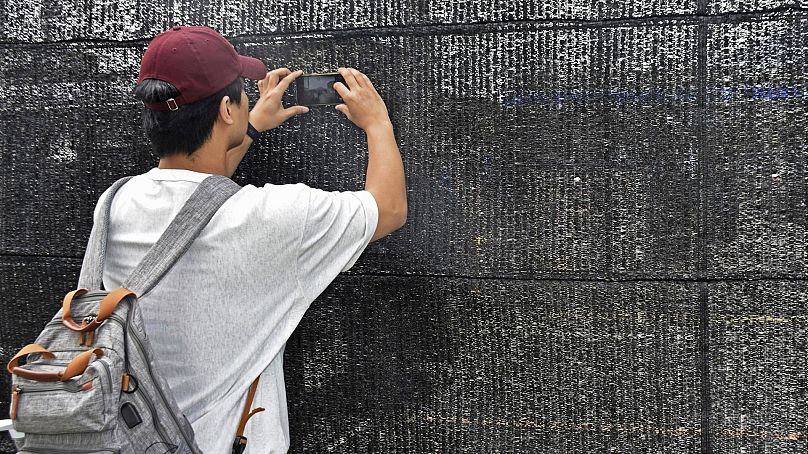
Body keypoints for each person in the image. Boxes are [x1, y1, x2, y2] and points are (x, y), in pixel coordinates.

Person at [85, 25, 407, 453]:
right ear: (225, 109)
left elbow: (197, 200)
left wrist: (250, 126)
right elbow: (388, 209)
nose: (246, 98)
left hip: (128, 436)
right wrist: (378, 123)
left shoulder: (114, 204)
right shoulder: (271, 217)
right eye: (241, 93)